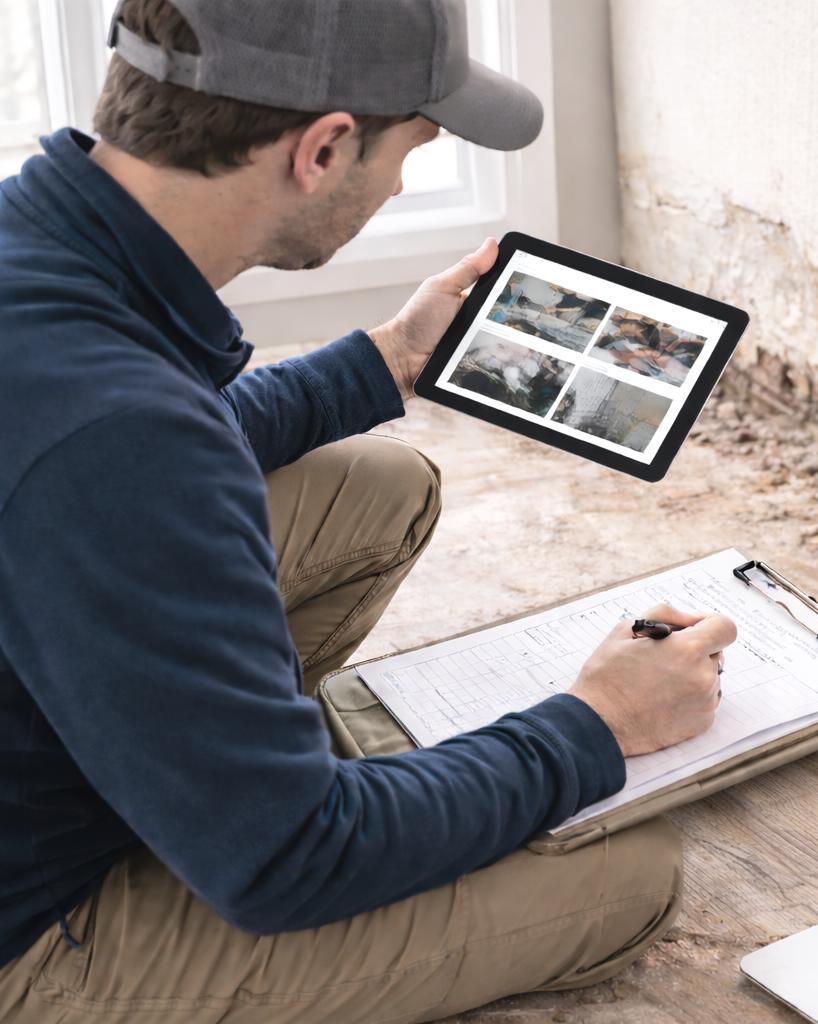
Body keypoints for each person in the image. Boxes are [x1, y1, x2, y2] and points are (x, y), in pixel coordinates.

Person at [0, 1, 736, 1021]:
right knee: (627, 868)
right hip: (27, 933)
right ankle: (221, 795)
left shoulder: (33, 250)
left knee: (371, 486)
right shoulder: (123, 438)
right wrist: (598, 721)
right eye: (415, 149)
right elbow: (290, 860)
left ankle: (223, 763)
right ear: (325, 147)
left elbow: (139, 454)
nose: (400, 184)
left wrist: (388, 357)